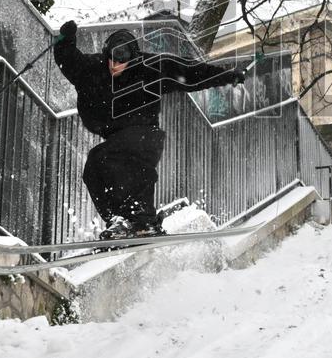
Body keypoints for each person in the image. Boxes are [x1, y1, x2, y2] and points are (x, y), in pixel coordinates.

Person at [53, 21, 245, 237]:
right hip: (116, 137)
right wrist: (65, 39)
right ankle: (121, 221)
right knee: (94, 169)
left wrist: (228, 75)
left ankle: (141, 218)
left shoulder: (151, 67)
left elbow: (193, 72)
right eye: (112, 59)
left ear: (133, 57)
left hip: (145, 134)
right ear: (106, 53)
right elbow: (69, 61)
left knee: (112, 158)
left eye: (122, 60)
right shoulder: (94, 68)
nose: (115, 65)